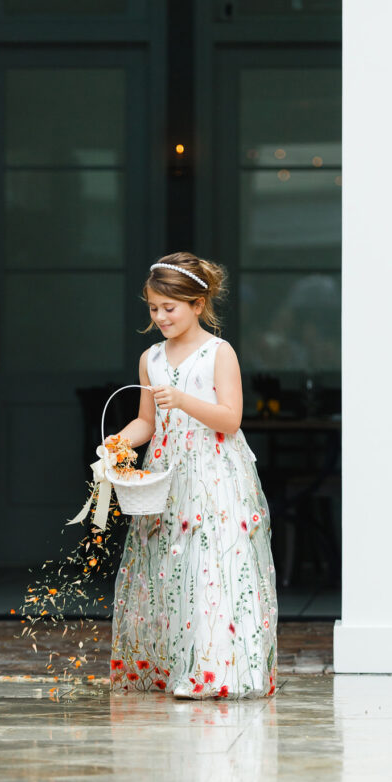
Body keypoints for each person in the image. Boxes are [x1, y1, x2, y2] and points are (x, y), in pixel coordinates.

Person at [108, 252, 278, 700]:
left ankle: (216, 671)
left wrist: (182, 400)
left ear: (198, 304)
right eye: (153, 308)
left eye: (170, 307)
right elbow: (147, 421)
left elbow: (231, 418)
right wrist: (119, 443)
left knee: (212, 564)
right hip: (168, 474)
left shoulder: (219, 353)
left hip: (214, 473)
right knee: (170, 566)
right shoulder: (150, 359)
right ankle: (173, 664)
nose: (160, 317)